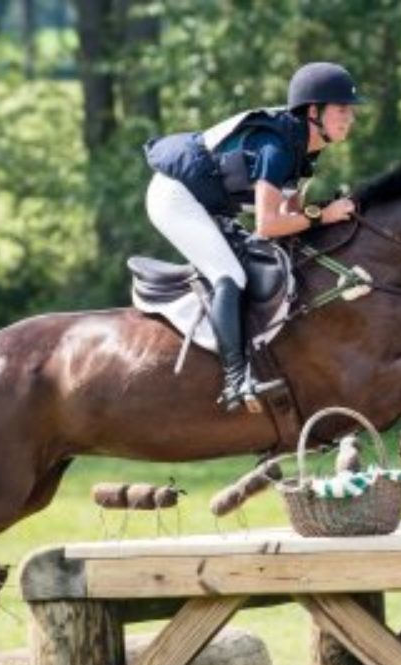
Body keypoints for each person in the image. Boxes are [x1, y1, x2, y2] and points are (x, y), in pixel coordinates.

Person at [143, 62, 363, 411]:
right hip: (174, 196)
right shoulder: (276, 148)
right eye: (342, 109)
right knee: (228, 274)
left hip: (207, 203)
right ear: (313, 111)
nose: (349, 117)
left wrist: (320, 216)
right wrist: (324, 215)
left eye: (350, 110)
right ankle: (235, 379)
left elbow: (290, 218)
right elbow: (268, 225)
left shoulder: (304, 148)